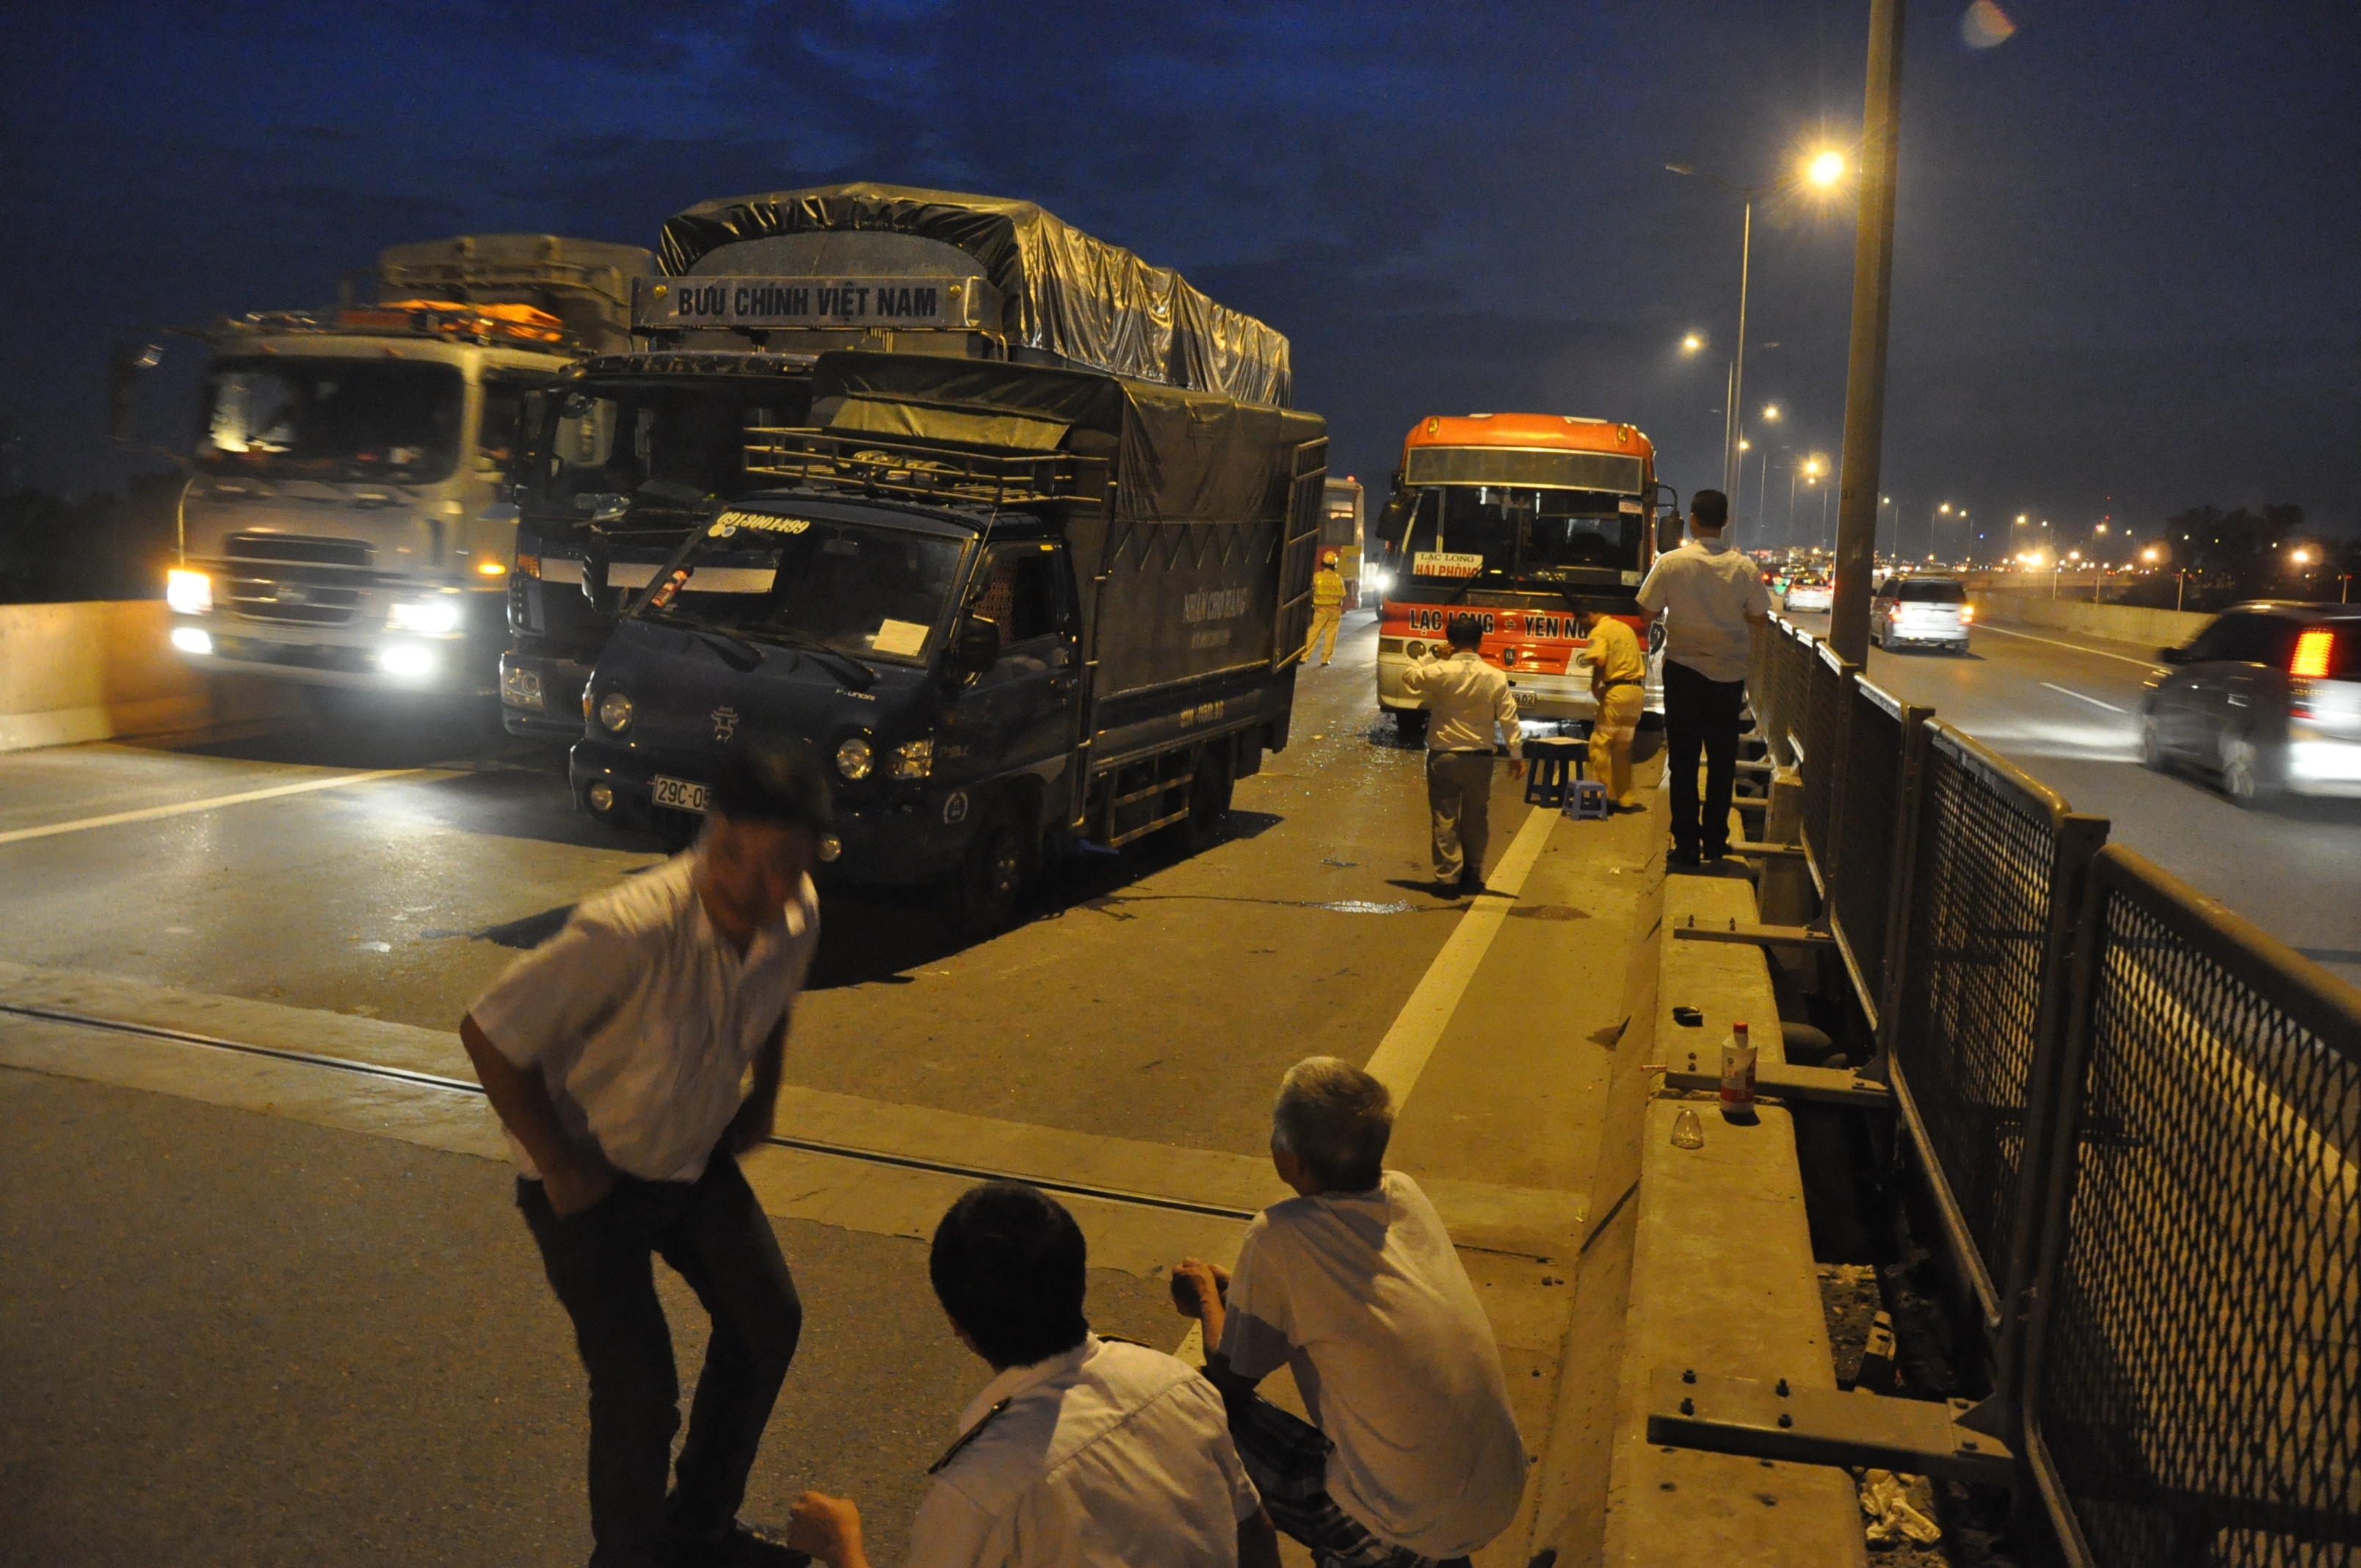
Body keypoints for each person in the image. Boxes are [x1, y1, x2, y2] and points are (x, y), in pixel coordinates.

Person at [459, 744, 828, 1567]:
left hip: (691, 1159)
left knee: (769, 1322)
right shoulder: (625, 931)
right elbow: (488, 1033)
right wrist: (559, 1165)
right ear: (712, 834)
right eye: (731, 856)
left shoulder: (797, 911)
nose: (750, 886)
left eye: (780, 867)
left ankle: (699, 1525)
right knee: (639, 1392)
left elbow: (777, 1000)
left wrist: (762, 1096)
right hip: (588, 1181)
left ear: (807, 860)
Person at [787, 1182, 1280, 1568]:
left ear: (957, 1324)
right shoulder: (1176, 1383)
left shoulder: (978, 1492)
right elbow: (1253, 1531)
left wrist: (842, 1547)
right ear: (1081, 1280)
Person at [1171, 1058, 1528, 1568]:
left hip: (1403, 1520)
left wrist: (1206, 1296)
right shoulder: (1404, 1192)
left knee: (1190, 1404)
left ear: (1291, 1160)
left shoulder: (1278, 1233)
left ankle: (1363, 1551)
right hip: (1495, 1494)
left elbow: (1231, 1375)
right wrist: (1243, 1291)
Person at [1634, 490, 1769, 866]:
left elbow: (1646, 613)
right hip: (1727, 677)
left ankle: (1687, 846)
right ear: (1725, 522)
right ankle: (1715, 842)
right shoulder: (1743, 568)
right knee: (1723, 762)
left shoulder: (1671, 563)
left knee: (1684, 761)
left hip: (1683, 673)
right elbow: (1760, 618)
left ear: (1692, 520)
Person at [1399, 615, 1524, 895]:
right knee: (1476, 818)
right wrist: (1516, 753)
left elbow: (1409, 676)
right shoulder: (1495, 676)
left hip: (1444, 757)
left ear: (1450, 642)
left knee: (1444, 818)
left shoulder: (1441, 671)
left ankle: (1448, 879)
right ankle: (1473, 874)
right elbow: (1508, 718)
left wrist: (1433, 657)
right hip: (1480, 760)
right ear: (1480, 642)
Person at [1578, 604, 1647, 811]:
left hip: (1616, 693)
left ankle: (1602, 797)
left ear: (1588, 615)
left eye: (1580, 623)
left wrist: (1594, 686)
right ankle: (1625, 798)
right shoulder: (1625, 628)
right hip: (1635, 694)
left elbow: (1599, 660)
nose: (1582, 628)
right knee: (1622, 749)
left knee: (1600, 744)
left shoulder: (1600, 631)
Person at [1305, 552, 1346, 667]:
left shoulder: (1316, 577)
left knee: (1313, 634)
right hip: (1334, 612)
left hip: (1320, 611)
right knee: (1331, 636)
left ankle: (1304, 657)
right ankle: (1325, 660)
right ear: (1335, 566)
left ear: (1322, 563)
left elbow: (1310, 591)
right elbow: (1342, 595)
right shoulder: (1339, 579)